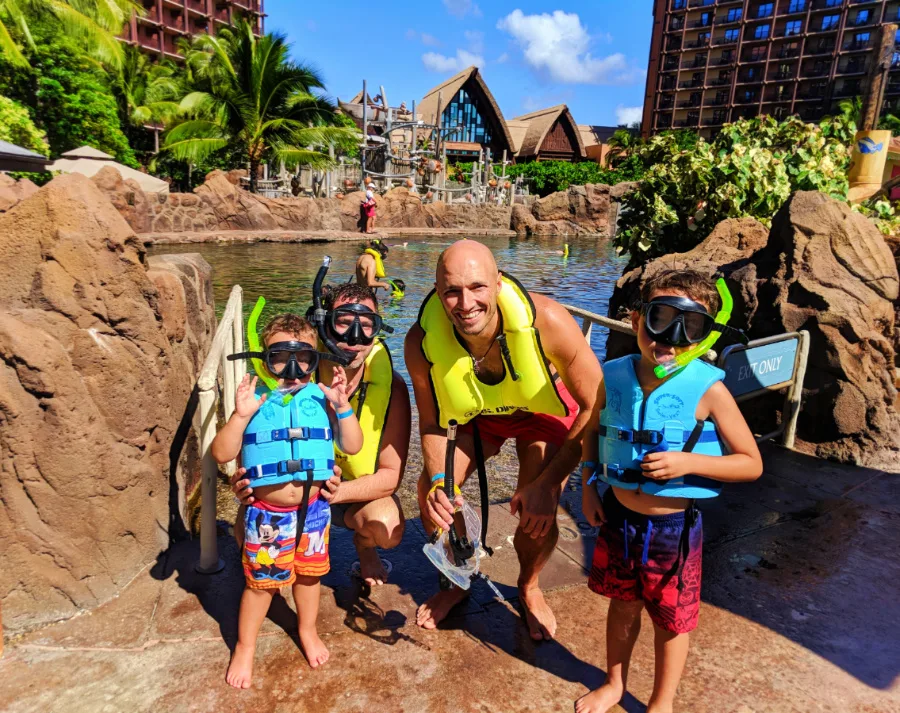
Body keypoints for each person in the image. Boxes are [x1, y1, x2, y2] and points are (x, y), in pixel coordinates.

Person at [576, 269, 763, 713]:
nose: (670, 338)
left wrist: (688, 462)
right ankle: (614, 684)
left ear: (701, 336)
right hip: (618, 516)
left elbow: (751, 463)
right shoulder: (614, 374)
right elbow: (592, 431)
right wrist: (587, 483)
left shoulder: (709, 389)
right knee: (622, 607)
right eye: (661, 319)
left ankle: (663, 703)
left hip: (673, 530)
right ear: (638, 320)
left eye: (689, 328)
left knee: (670, 621)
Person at [404, 240, 602, 639]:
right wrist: (442, 483)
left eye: (477, 287)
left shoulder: (547, 320)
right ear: (438, 292)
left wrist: (548, 484)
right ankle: (458, 580)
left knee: (535, 508)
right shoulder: (420, 342)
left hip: (540, 413)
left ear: (497, 283)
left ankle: (528, 586)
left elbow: (595, 405)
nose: (465, 303)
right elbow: (430, 423)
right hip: (477, 414)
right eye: (452, 292)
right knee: (433, 489)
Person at [212, 314, 362, 687]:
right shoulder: (257, 401)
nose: (292, 371)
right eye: (280, 359)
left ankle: (307, 630)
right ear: (265, 360)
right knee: (262, 585)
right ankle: (245, 646)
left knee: (310, 578)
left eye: (304, 360)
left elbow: (353, 445)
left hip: (313, 513)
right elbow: (221, 452)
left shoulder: (323, 399)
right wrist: (239, 416)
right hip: (268, 515)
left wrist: (343, 407)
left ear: (315, 362)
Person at [232, 284, 410, 587]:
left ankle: (364, 548)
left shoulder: (390, 388)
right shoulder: (293, 373)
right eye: (343, 322)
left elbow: (390, 476)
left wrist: (333, 493)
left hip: (349, 492)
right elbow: (252, 441)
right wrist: (243, 481)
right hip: (290, 487)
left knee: (387, 525)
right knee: (245, 524)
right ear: (323, 323)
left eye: (367, 325)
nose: (354, 337)